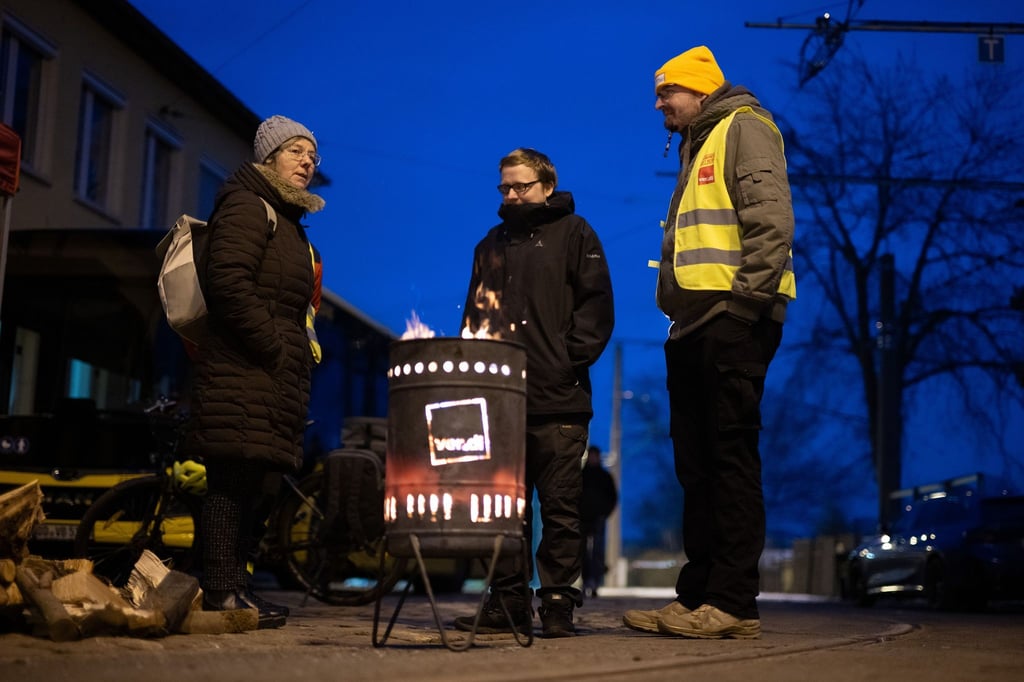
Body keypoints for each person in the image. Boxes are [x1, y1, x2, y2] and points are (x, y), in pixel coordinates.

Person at [621, 46, 795, 640]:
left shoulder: (744, 128)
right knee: (696, 469)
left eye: (667, 92)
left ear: (698, 90)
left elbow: (771, 221)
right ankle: (698, 597)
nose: (659, 104)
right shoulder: (702, 141)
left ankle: (733, 603)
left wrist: (745, 306)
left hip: (731, 318)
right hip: (695, 324)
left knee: (729, 462)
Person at [454, 148, 614, 638]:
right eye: (505, 187)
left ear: (547, 185)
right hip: (500, 403)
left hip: (559, 398)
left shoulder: (576, 233)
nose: (512, 194)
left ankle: (559, 605)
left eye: (521, 185)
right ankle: (507, 603)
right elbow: (474, 318)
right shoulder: (490, 245)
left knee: (561, 508)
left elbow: (597, 306)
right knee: (502, 509)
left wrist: (567, 360)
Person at [186, 114, 325, 629]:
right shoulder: (249, 205)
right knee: (230, 483)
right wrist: (272, 346)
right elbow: (228, 283)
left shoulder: (286, 219)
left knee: (251, 487)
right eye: (296, 152)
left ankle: (236, 590)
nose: (307, 162)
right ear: (268, 156)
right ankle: (220, 593)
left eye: (312, 156)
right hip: (243, 370)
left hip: (267, 375)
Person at [580, 445, 618, 598]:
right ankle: (586, 581)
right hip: (582, 518)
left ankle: (595, 582)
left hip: (598, 518)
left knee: (597, 552)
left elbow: (613, 497)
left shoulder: (605, 477)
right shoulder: (582, 476)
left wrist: (605, 513)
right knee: (582, 553)